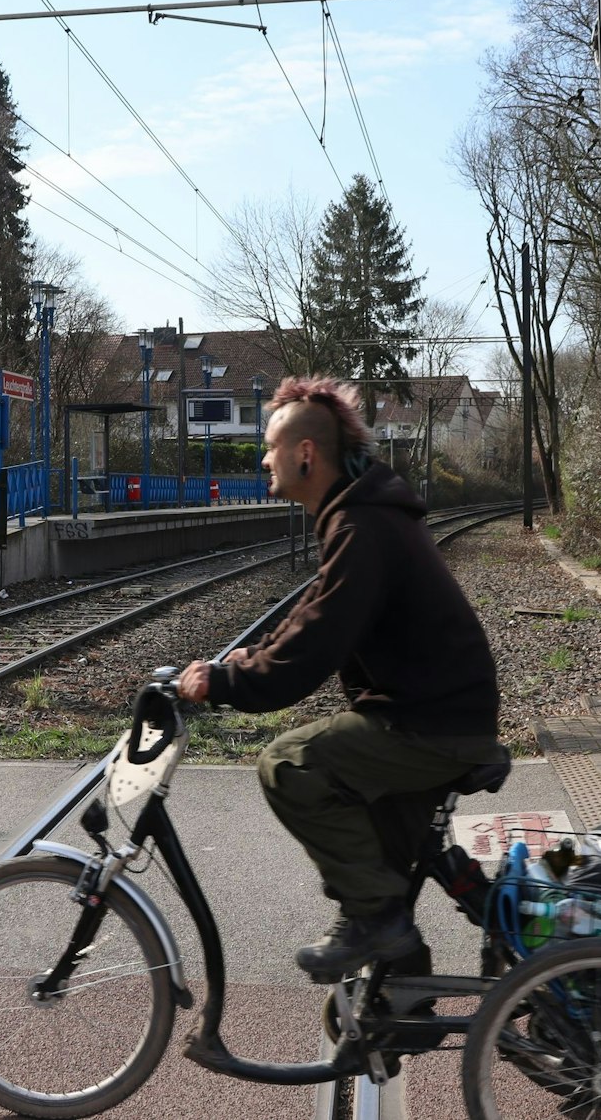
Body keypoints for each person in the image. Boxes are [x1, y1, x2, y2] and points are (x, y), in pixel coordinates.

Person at [178, 377, 505, 981]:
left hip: (427, 725)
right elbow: (312, 616)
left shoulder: (361, 527)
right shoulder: (360, 518)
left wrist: (225, 683)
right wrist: (240, 662)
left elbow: (312, 649)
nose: (262, 457)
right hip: (435, 714)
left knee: (289, 763)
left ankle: (381, 923)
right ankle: (400, 975)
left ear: (306, 454)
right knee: (379, 865)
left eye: (270, 446)